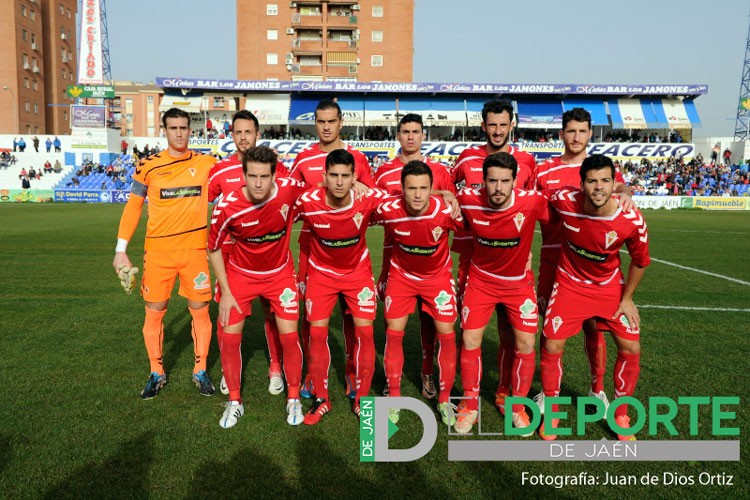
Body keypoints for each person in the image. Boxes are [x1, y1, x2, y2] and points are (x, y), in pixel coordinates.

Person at [540, 155, 650, 441]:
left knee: (631, 347)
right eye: (591, 181)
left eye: (605, 181)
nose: (598, 187)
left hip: (609, 288)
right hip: (570, 284)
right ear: (581, 184)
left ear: (615, 184)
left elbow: (640, 261)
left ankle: (621, 414)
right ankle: (552, 413)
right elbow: (531, 195)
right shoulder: (565, 199)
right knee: (552, 344)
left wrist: (627, 299)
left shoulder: (631, 219)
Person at [112, 107, 217, 399]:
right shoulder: (148, 166)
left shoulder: (208, 163)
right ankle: (156, 372)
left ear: (190, 130)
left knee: (200, 311)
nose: (180, 133)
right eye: (174, 128)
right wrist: (121, 250)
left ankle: (201, 370)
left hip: (195, 251)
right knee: (155, 311)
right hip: (158, 253)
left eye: (184, 127)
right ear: (165, 130)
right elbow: (133, 207)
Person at [534, 108, 632, 415]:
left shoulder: (599, 171)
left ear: (591, 134)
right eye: (571, 131)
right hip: (553, 260)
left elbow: (621, 191)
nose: (576, 137)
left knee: (595, 327)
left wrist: (627, 191)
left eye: (582, 131)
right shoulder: (544, 171)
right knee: (551, 331)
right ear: (562, 134)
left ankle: (597, 389)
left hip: (590, 267)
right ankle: (551, 394)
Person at [208, 146, 306, 428]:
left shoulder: (289, 189)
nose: (259, 183)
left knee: (289, 336)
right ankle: (235, 401)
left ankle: (294, 397)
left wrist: (359, 184)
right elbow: (213, 249)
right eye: (252, 176)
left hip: (280, 275)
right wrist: (225, 292)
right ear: (244, 175)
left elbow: (323, 189)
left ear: (275, 175)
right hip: (241, 276)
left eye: (264, 176)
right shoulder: (227, 206)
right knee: (229, 335)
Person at [453, 152, 549, 435]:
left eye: (504, 181)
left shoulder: (532, 201)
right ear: (483, 181)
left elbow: (560, 221)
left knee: (526, 344)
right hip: (480, 282)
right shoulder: (468, 199)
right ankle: (470, 405)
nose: (498, 187)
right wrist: (444, 194)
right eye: (492, 181)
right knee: (470, 339)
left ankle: (517, 407)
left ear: (515, 181)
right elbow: (440, 198)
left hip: (519, 284)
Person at [450, 99, 537, 407]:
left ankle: (504, 390)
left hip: (513, 264)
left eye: (503, 124)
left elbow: (533, 205)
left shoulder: (526, 160)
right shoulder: (466, 158)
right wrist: (448, 194)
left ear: (511, 125)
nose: (498, 131)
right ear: (483, 125)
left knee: (510, 333)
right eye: (492, 125)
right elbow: (447, 187)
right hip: (472, 261)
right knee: (467, 331)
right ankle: (464, 395)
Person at [289, 99, 375, 400]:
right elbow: (291, 198)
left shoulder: (357, 159)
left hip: (350, 252)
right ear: (316, 123)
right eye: (321, 122)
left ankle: (353, 374)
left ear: (341, 122)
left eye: (331, 121)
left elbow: (369, 196)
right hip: (312, 249)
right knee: (310, 317)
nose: (326, 127)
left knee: (353, 317)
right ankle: (314, 376)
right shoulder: (302, 159)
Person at [293, 148, 382, 425]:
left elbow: (410, 197)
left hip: (358, 274)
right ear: (324, 176)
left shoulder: (369, 198)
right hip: (321, 275)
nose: (340, 182)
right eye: (334, 175)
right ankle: (322, 398)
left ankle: (362, 400)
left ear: (355, 176)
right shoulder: (307, 201)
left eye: (346, 175)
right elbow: (276, 209)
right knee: (317, 335)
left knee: (365, 335)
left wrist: (447, 195)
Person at [208, 110, 290, 396]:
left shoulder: (272, 168)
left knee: (272, 314)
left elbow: (288, 201)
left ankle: (276, 367)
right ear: (232, 135)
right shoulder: (218, 171)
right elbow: (202, 207)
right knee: (227, 316)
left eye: (248, 132)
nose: (243, 137)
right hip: (231, 260)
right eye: (238, 132)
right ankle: (228, 373)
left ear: (257, 134)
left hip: (267, 258)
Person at [374, 113, 456, 400]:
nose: (410, 136)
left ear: (423, 135)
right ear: (398, 135)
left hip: (432, 260)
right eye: (405, 131)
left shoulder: (440, 170)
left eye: (416, 131)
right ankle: (391, 381)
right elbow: (375, 209)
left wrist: (445, 192)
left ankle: (427, 371)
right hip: (395, 255)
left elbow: (451, 206)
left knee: (431, 321)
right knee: (392, 323)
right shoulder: (384, 171)